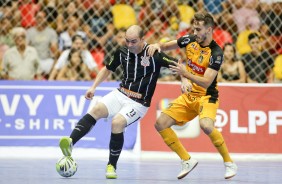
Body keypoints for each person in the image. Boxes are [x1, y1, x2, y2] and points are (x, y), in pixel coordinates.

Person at [58, 25, 178, 179]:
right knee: (96, 110)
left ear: (142, 39)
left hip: (139, 103)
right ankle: (70, 142)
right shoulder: (122, 52)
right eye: (127, 41)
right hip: (121, 93)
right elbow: (107, 69)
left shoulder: (154, 54)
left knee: (117, 123)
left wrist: (185, 80)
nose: (129, 45)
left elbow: (178, 65)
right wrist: (93, 87)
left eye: (133, 41)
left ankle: (111, 166)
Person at [147, 11, 238, 180]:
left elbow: (206, 82)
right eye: (193, 28)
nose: (194, 32)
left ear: (209, 29)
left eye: (198, 29)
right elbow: (167, 46)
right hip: (189, 96)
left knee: (206, 125)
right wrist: (157, 45)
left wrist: (184, 74)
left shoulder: (216, 53)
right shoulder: (190, 39)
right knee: (161, 123)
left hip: (206, 96)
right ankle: (186, 160)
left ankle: (229, 163)